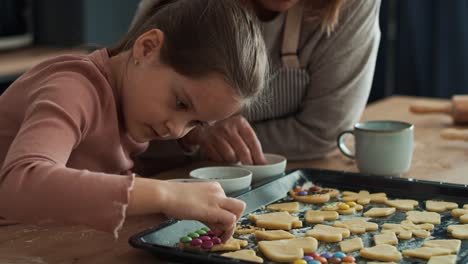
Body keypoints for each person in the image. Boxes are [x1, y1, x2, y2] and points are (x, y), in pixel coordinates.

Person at [0, 0, 268, 241]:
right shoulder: (73, 88)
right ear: (147, 48)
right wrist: (164, 195)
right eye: (180, 103)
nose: (174, 129)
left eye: (195, 123)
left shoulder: (132, 108)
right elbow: (18, 186)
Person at [133, 0, 382, 171]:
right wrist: (196, 132)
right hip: (160, 178)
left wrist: (219, 143)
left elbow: (324, 131)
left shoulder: (354, 6)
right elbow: (131, 109)